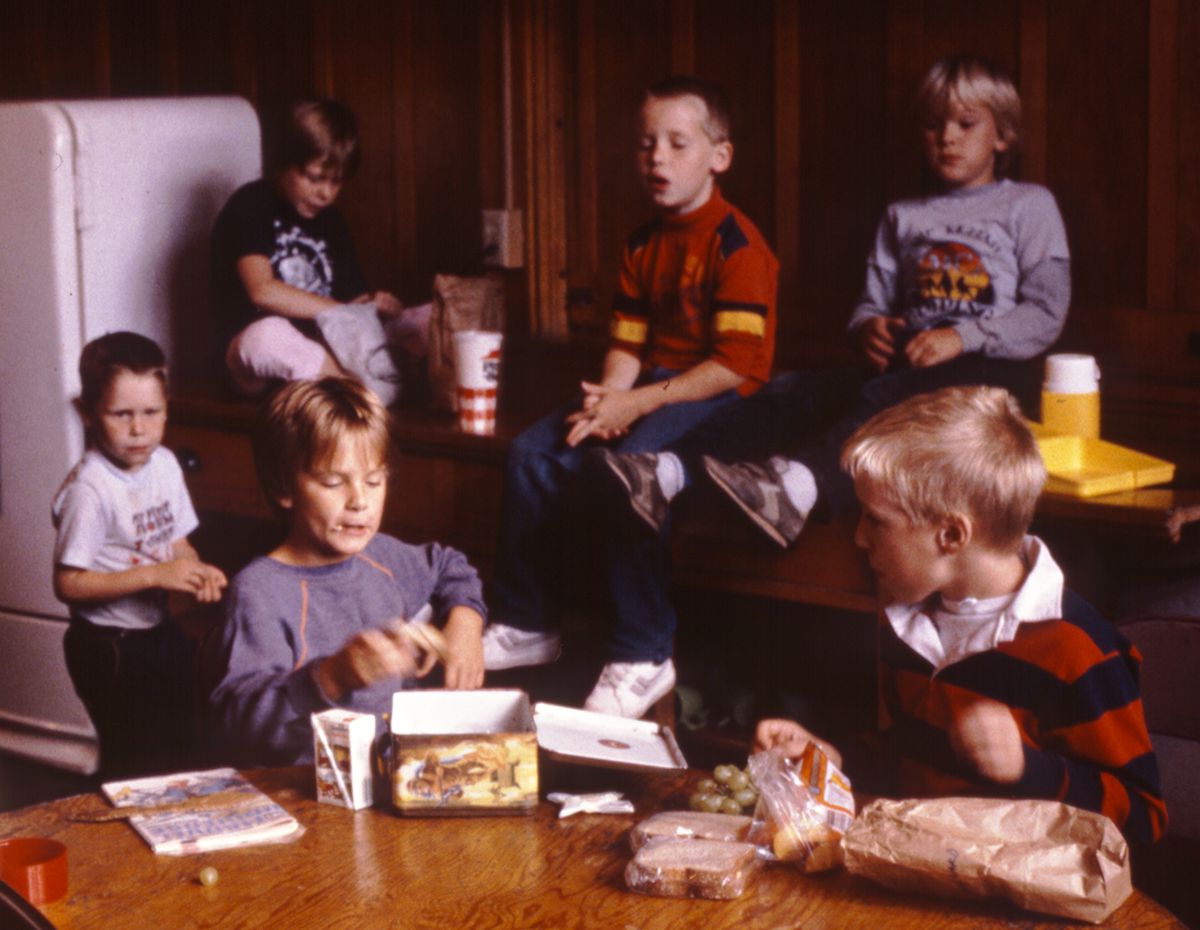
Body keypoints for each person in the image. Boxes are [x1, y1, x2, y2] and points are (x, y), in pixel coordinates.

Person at [600, 55, 1071, 547]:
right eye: (933, 125)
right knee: (795, 391)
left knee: (883, 401)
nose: (947, 136)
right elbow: (871, 305)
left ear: (1002, 136)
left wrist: (962, 337)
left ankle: (800, 488)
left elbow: (1045, 311)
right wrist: (868, 328)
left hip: (990, 374)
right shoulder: (903, 215)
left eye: (965, 124)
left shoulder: (1029, 206)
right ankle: (670, 470)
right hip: (910, 359)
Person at [480, 75, 779, 718]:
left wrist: (636, 407)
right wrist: (606, 402)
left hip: (726, 396)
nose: (658, 159)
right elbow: (628, 346)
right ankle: (528, 620)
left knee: (625, 474)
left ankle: (643, 651)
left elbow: (733, 366)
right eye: (647, 145)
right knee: (536, 450)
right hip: (655, 384)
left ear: (718, 156)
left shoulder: (739, 246)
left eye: (677, 144)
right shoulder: (643, 243)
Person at [755, 385, 1166, 845]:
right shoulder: (905, 621)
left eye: (875, 520)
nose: (858, 538)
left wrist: (1027, 768)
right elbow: (907, 765)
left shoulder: (1077, 648)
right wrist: (831, 758)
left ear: (950, 534)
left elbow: (1145, 821)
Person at [210, 377, 486, 766]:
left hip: (398, 778)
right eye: (333, 482)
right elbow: (241, 728)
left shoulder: (384, 556)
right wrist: (331, 678)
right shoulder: (260, 592)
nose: (360, 500)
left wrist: (465, 624)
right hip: (309, 796)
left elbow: (449, 566)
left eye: (374, 481)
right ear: (284, 487)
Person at [52, 331, 228, 777]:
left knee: (185, 745)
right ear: (89, 413)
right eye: (121, 414)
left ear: (167, 407)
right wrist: (157, 576)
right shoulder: (91, 489)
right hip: (109, 646)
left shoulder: (164, 464)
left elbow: (177, 543)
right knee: (134, 761)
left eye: (152, 412)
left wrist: (195, 571)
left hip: (157, 631)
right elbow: (68, 583)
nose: (138, 429)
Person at [212, 97, 406, 397]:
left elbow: (353, 305)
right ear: (284, 163)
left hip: (321, 351)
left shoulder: (333, 222)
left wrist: (375, 305)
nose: (325, 193)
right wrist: (343, 312)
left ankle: (346, 386)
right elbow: (262, 290)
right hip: (255, 366)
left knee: (420, 321)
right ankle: (356, 394)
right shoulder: (250, 204)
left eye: (336, 182)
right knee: (267, 336)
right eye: (315, 178)